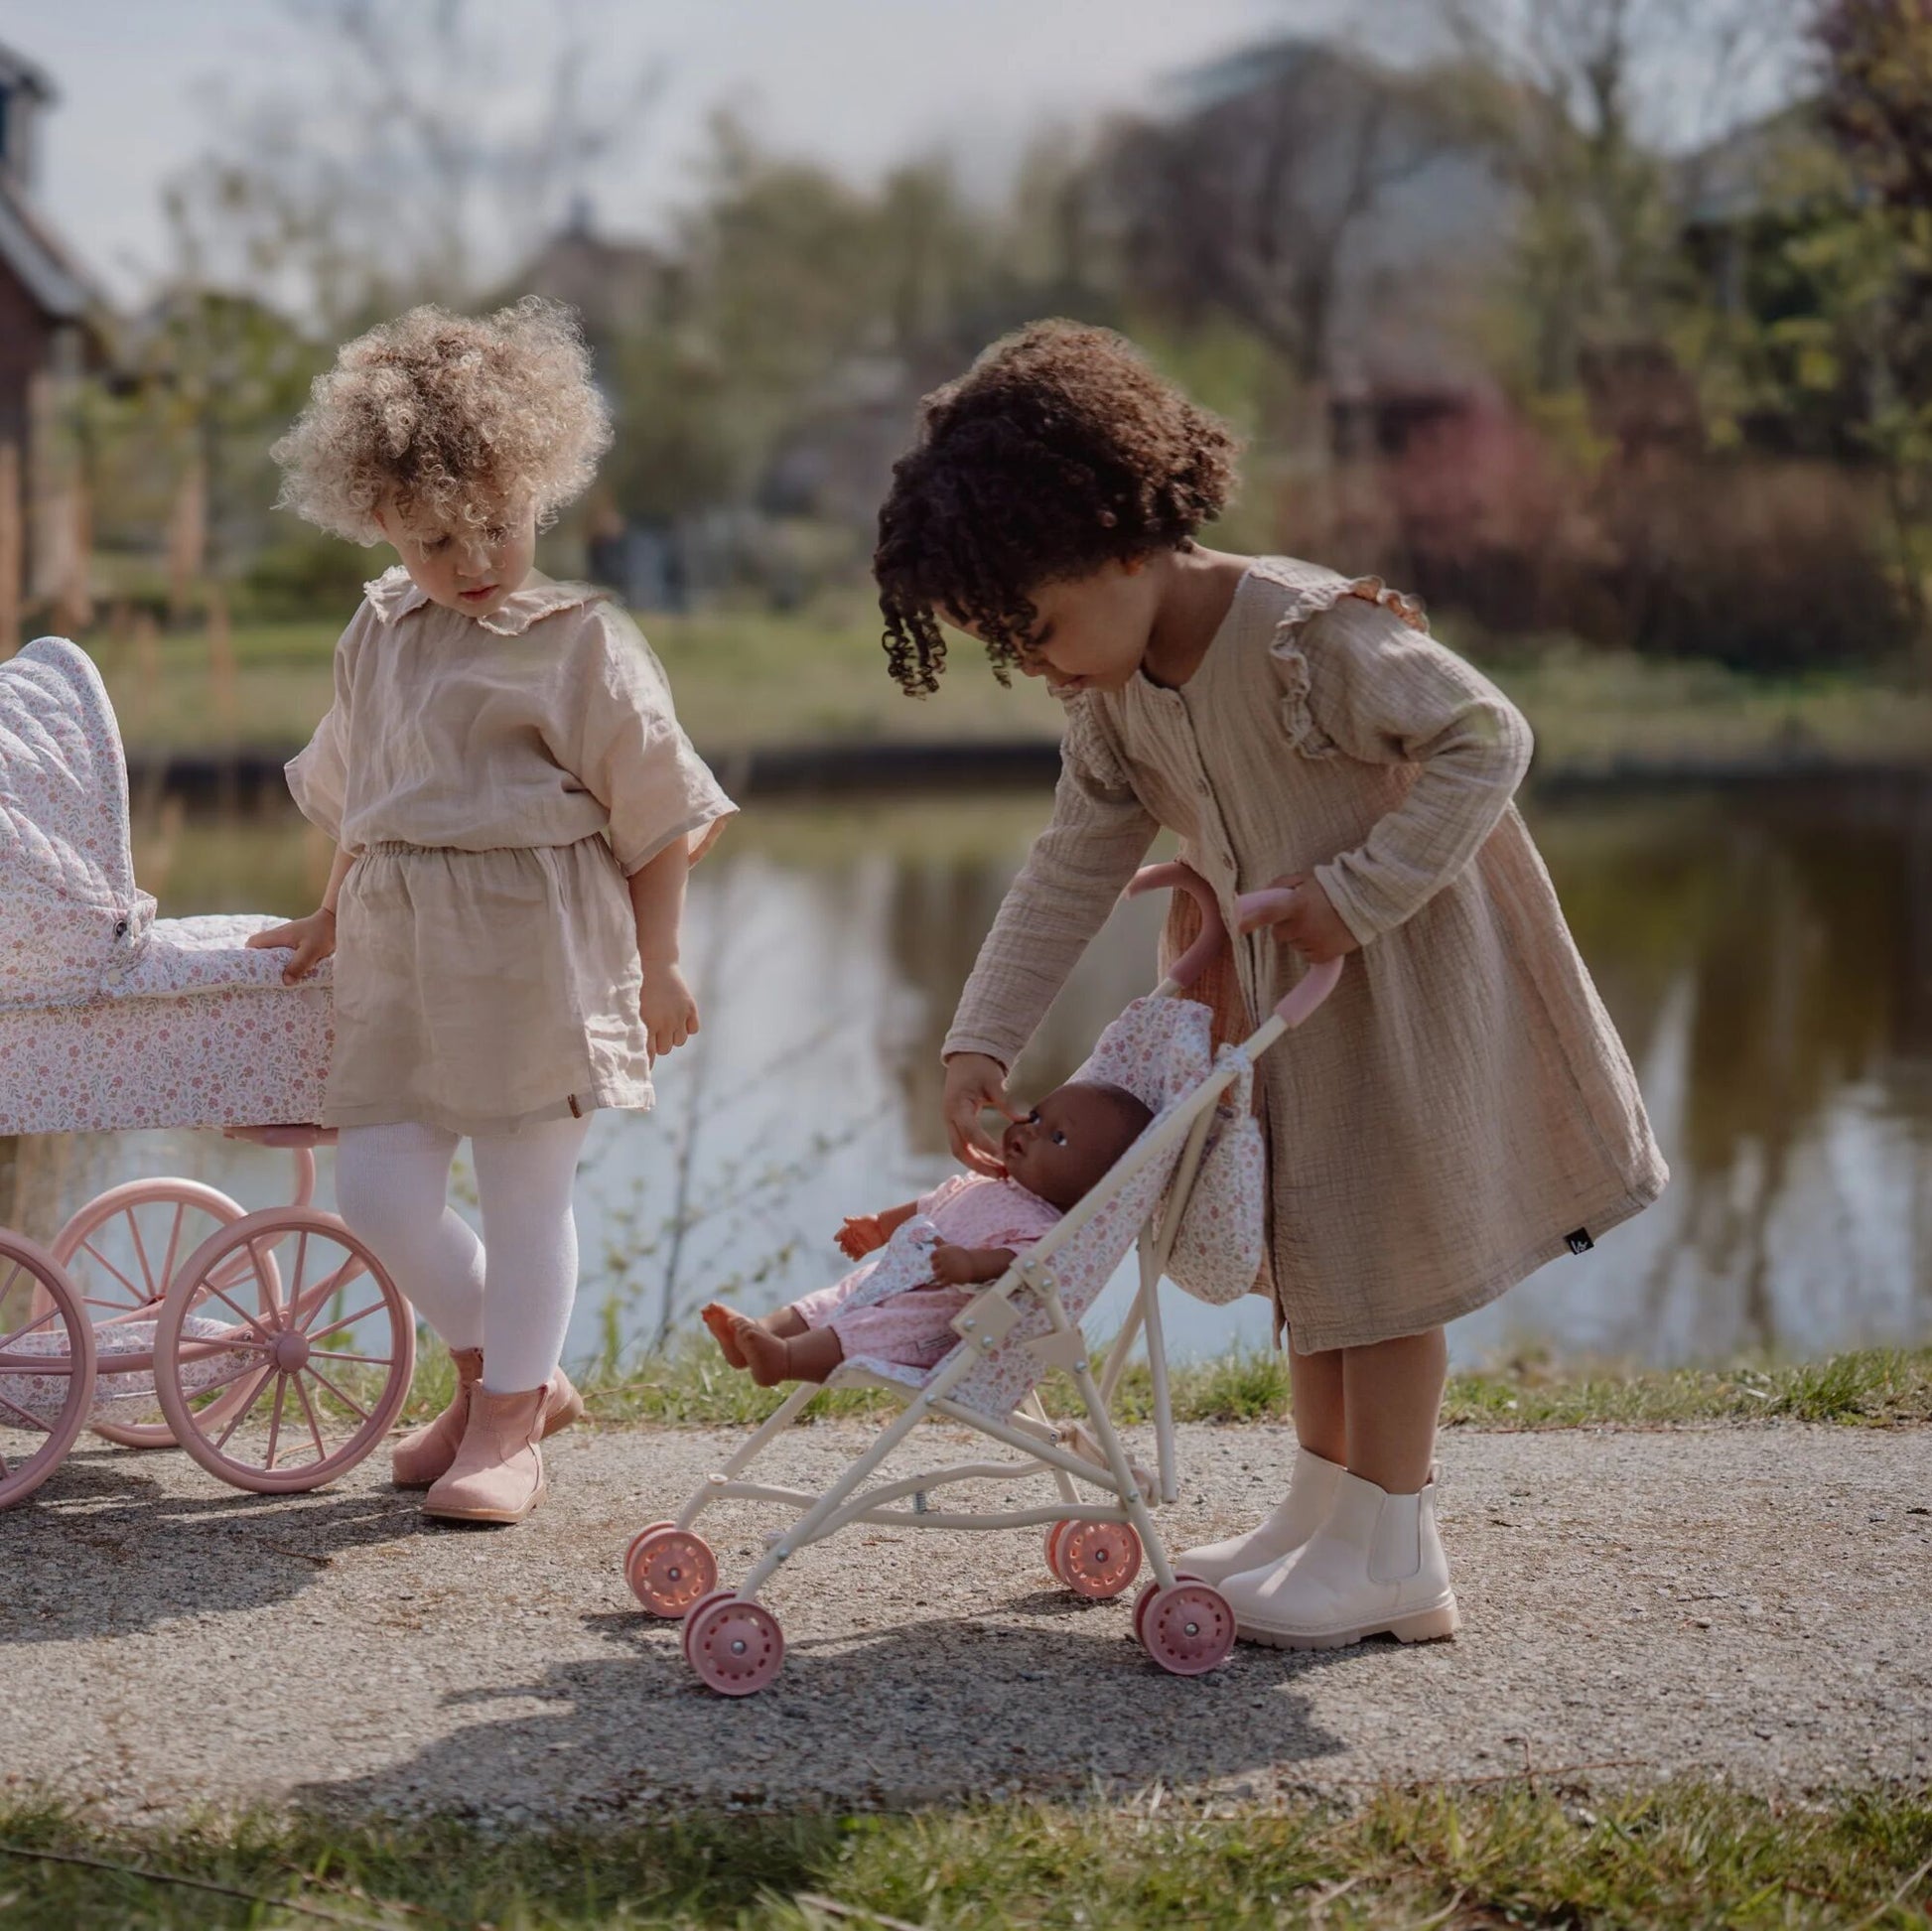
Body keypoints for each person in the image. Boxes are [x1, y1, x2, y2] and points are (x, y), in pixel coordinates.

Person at [872, 321, 1666, 1648]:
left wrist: (1355, 894)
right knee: (1313, 1260)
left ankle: (1395, 1551)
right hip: (1279, 1006)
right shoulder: (1114, 696)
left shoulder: (1307, 633)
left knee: (1385, 1265)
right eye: (1018, 651)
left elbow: (1488, 734)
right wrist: (978, 1036)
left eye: (1047, 628)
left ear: (1123, 543)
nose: (1045, 668)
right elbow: (1069, 864)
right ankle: (1320, 1514)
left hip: (1399, 983)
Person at [248, 299, 736, 1525]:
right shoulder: (380, 627)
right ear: (380, 522)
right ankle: (500, 1376)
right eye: (434, 540)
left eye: (498, 528)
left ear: (543, 492)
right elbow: (361, 792)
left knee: (526, 1190)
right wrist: (326, 917)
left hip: (539, 946)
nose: (471, 562)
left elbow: (662, 812)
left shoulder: (580, 643)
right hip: (402, 944)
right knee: (381, 1192)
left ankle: (508, 1419)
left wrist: (658, 962)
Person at [703, 1080, 1152, 1385]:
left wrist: (972, 1264)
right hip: (890, 1279)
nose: (1029, 1132)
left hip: (932, 1318)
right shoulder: (990, 1180)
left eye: (1057, 1139)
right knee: (828, 1301)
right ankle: (758, 1332)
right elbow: (928, 1205)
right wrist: (880, 1226)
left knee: (865, 1330)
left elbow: (1019, 1265)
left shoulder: (1043, 1227)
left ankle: (783, 1360)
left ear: (1095, 1184)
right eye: (1035, 1117)